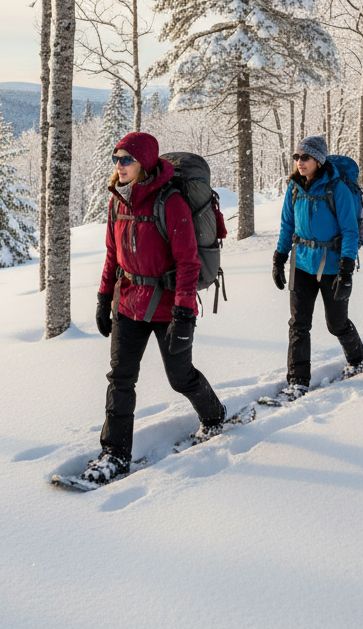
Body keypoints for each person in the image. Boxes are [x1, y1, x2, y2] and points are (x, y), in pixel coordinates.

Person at [81, 131, 226, 485]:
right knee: (120, 378)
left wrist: (184, 313)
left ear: (144, 163)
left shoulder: (170, 202)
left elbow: (189, 263)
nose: (119, 165)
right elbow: (112, 255)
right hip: (129, 302)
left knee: (180, 376)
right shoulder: (117, 201)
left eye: (126, 159)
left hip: (166, 306)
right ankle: (114, 453)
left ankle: (215, 414)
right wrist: (103, 298)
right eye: (116, 158)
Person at [272, 135, 363, 399]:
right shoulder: (294, 188)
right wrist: (279, 257)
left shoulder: (337, 189)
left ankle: (357, 357)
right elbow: (286, 226)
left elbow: (349, 230)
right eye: (297, 157)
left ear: (318, 160)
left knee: (336, 324)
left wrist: (346, 268)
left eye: (305, 157)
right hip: (301, 264)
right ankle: (298, 381)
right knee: (298, 324)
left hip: (332, 266)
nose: (299, 162)